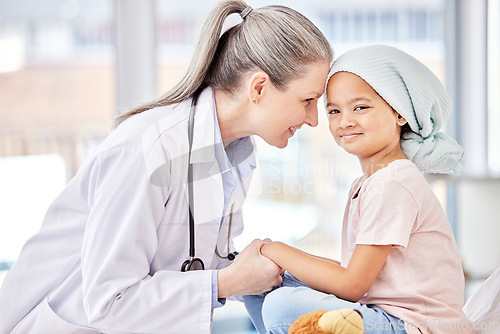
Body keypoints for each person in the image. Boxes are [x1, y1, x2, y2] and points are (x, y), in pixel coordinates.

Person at [0, 1, 333, 333]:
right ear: (258, 88)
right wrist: (226, 282)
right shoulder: (148, 149)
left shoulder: (236, 152)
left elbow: (194, 261)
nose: (314, 119)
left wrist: (275, 270)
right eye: (307, 100)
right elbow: (109, 301)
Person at [243, 45, 475, 334]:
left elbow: (351, 285)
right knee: (256, 284)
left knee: (282, 307)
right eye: (334, 111)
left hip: (414, 326)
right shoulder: (370, 182)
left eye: (360, 107)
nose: (345, 121)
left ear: (400, 114)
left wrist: (274, 249)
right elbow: (351, 271)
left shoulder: (393, 183)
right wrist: (274, 259)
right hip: (380, 313)